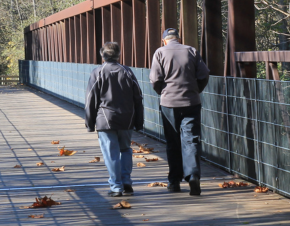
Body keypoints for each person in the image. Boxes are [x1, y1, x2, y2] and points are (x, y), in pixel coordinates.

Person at [149, 28, 210, 196]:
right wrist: (196, 90)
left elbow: (155, 79)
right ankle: (193, 175)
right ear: (178, 38)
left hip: (169, 103)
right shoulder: (191, 50)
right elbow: (204, 74)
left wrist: (163, 92)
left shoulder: (160, 52)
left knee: (173, 141)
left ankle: (174, 181)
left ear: (164, 41)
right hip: (191, 101)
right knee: (191, 139)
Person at [85, 42, 144, 197]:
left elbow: (90, 99)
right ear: (119, 54)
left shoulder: (97, 72)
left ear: (102, 55)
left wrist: (90, 123)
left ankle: (116, 187)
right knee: (125, 150)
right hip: (126, 119)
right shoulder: (128, 72)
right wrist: (139, 121)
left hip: (105, 119)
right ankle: (127, 182)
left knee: (111, 153)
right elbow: (138, 97)